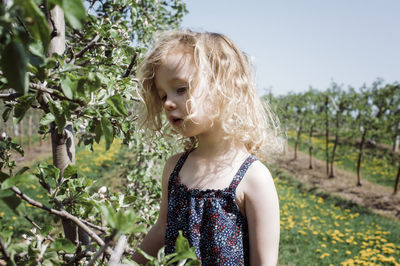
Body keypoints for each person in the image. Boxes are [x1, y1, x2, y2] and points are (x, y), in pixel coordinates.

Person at [132, 29, 283, 266]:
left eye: (180, 89)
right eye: (163, 96)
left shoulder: (254, 178)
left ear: (224, 86)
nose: (169, 103)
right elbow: (162, 229)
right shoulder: (175, 168)